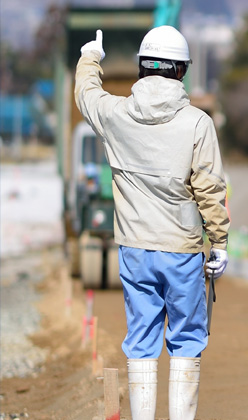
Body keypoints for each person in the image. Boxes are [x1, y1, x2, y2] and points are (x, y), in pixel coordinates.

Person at [75, 26, 230, 420]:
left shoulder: (115, 114)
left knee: (141, 341)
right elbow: (209, 188)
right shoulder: (198, 123)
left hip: (135, 250)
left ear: (143, 68)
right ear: (182, 71)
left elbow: (85, 95)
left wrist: (91, 57)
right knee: (187, 340)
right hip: (182, 251)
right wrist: (220, 241)